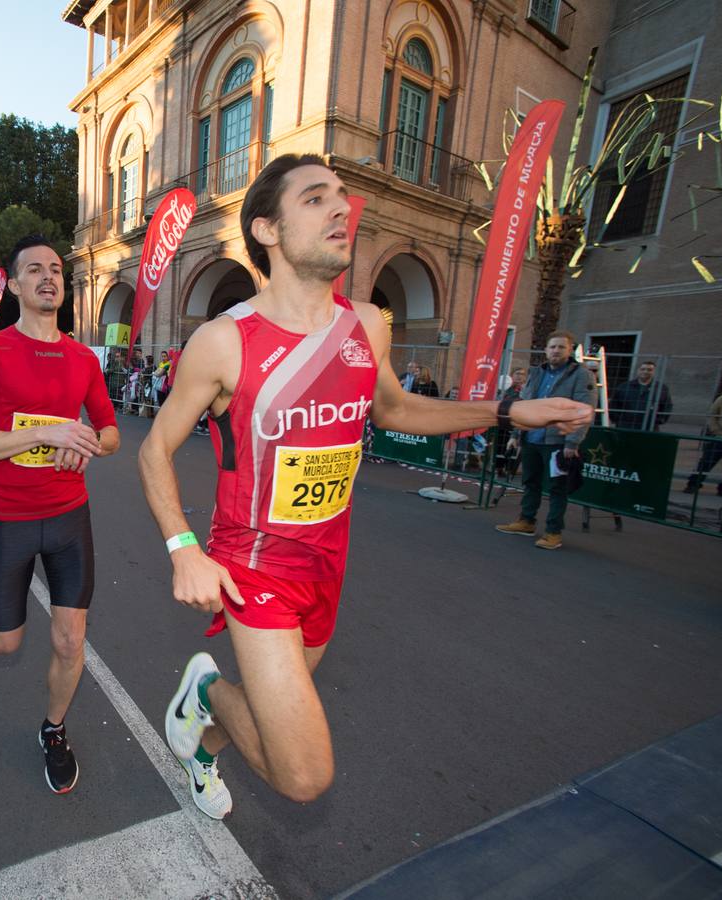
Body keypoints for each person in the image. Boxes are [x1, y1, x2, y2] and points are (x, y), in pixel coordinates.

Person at [136, 154, 590, 819]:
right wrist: (182, 547)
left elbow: (397, 410)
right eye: (317, 199)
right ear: (266, 229)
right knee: (304, 774)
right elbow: (155, 449)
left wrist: (505, 411)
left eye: (343, 197)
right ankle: (204, 690)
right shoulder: (224, 342)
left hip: (328, 558)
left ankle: (201, 745)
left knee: (273, 714)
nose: (342, 209)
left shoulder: (367, 326)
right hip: (252, 560)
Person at [0, 234, 121, 795]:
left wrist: (90, 439)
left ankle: (53, 729)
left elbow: (112, 430)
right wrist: (48, 430)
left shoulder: (81, 358)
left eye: (56, 269)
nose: (49, 277)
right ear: (17, 285)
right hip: (10, 518)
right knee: (5, 644)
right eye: (35, 270)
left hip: (70, 517)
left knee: (71, 640)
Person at [495, 331, 595, 550]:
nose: (556, 351)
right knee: (530, 482)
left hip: (557, 442)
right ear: (546, 350)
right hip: (531, 437)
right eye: (552, 347)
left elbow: (583, 411)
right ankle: (526, 521)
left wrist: (572, 443)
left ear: (570, 350)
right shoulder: (536, 373)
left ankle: (553, 532)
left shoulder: (581, 375)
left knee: (557, 488)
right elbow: (524, 405)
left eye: (561, 347)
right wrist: (515, 434)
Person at [610, 361, 672, 431]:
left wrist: (659, 420)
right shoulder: (624, 387)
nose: (645, 372)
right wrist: (617, 419)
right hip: (625, 425)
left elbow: (667, 406)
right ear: (638, 370)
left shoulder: (661, 388)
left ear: (654, 372)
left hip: (649, 427)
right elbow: (614, 404)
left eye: (649, 370)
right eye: (643, 369)